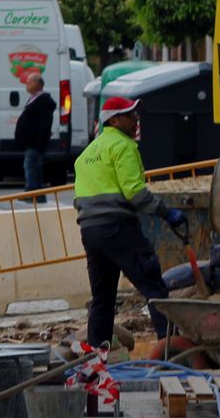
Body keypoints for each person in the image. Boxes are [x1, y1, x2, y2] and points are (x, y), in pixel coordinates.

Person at [73, 96, 184, 349]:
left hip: (91, 232)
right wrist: (167, 213)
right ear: (114, 120)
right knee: (153, 286)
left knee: (102, 298)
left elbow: (79, 198)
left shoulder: (87, 153)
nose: (136, 120)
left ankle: (97, 359)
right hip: (118, 228)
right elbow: (135, 193)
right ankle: (171, 352)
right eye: (130, 115)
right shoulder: (123, 147)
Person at [13, 74, 56, 200]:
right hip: (31, 142)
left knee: (30, 166)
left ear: (38, 84)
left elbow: (44, 124)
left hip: (35, 142)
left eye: (29, 82)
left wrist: (39, 142)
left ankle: (31, 192)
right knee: (35, 167)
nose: (27, 85)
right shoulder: (34, 98)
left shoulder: (43, 101)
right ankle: (38, 194)